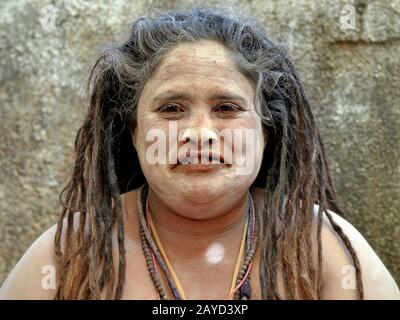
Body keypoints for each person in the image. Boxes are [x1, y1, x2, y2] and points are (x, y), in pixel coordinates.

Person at [1, 7, 399, 300]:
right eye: (171, 109)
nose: (200, 133)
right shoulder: (73, 253)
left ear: (267, 130)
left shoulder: (319, 244)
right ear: (135, 131)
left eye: (227, 108)